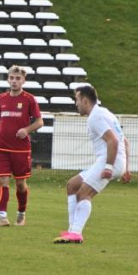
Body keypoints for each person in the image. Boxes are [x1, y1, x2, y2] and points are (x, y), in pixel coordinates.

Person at [54, 85, 131, 244]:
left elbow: (113, 140)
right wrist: (126, 168)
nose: (76, 104)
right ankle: (71, 230)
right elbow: (125, 141)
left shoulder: (95, 117)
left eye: (77, 100)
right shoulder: (105, 113)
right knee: (72, 185)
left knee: (84, 193)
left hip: (110, 160)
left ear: (85, 100)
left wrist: (109, 167)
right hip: (113, 160)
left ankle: (76, 233)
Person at [0, 66, 43, 227]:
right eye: (11, 78)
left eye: (18, 78)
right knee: (2, 181)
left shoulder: (29, 99)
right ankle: (2, 217)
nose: (14, 81)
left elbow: (39, 122)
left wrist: (26, 129)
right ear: (8, 79)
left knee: (20, 184)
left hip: (21, 149)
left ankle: (21, 213)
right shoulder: (1, 98)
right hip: (2, 147)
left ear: (23, 80)